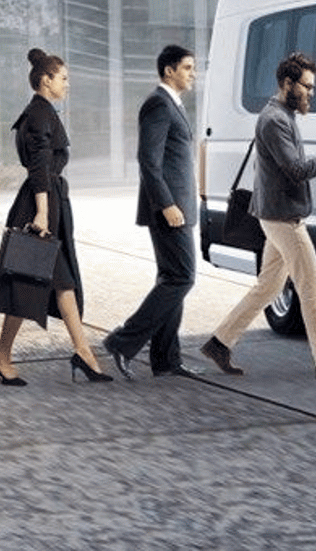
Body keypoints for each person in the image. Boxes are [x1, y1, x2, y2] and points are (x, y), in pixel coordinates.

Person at [198, 51, 316, 380]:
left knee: (267, 287)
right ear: (288, 83)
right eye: (307, 87)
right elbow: (295, 170)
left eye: (313, 88)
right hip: (282, 219)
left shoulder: (281, 115)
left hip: (276, 214)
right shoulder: (275, 120)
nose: (311, 94)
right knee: (312, 288)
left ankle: (220, 342)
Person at [0, 48, 113, 385]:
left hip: (50, 203)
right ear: (46, 80)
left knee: (57, 280)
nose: (68, 84)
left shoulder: (42, 112)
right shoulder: (39, 115)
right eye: (64, 78)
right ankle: (3, 354)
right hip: (40, 206)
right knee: (32, 278)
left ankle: (82, 352)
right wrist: (42, 212)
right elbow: (39, 166)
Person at [101, 44, 206, 380]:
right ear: (168, 71)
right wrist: (167, 204)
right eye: (187, 68)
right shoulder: (157, 104)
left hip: (180, 207)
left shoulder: (173, 105)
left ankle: (165, 359)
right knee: (182, 276)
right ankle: (122, 340)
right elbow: (148, 161)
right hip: (168, 210)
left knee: (171, 277)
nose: (193, 74)